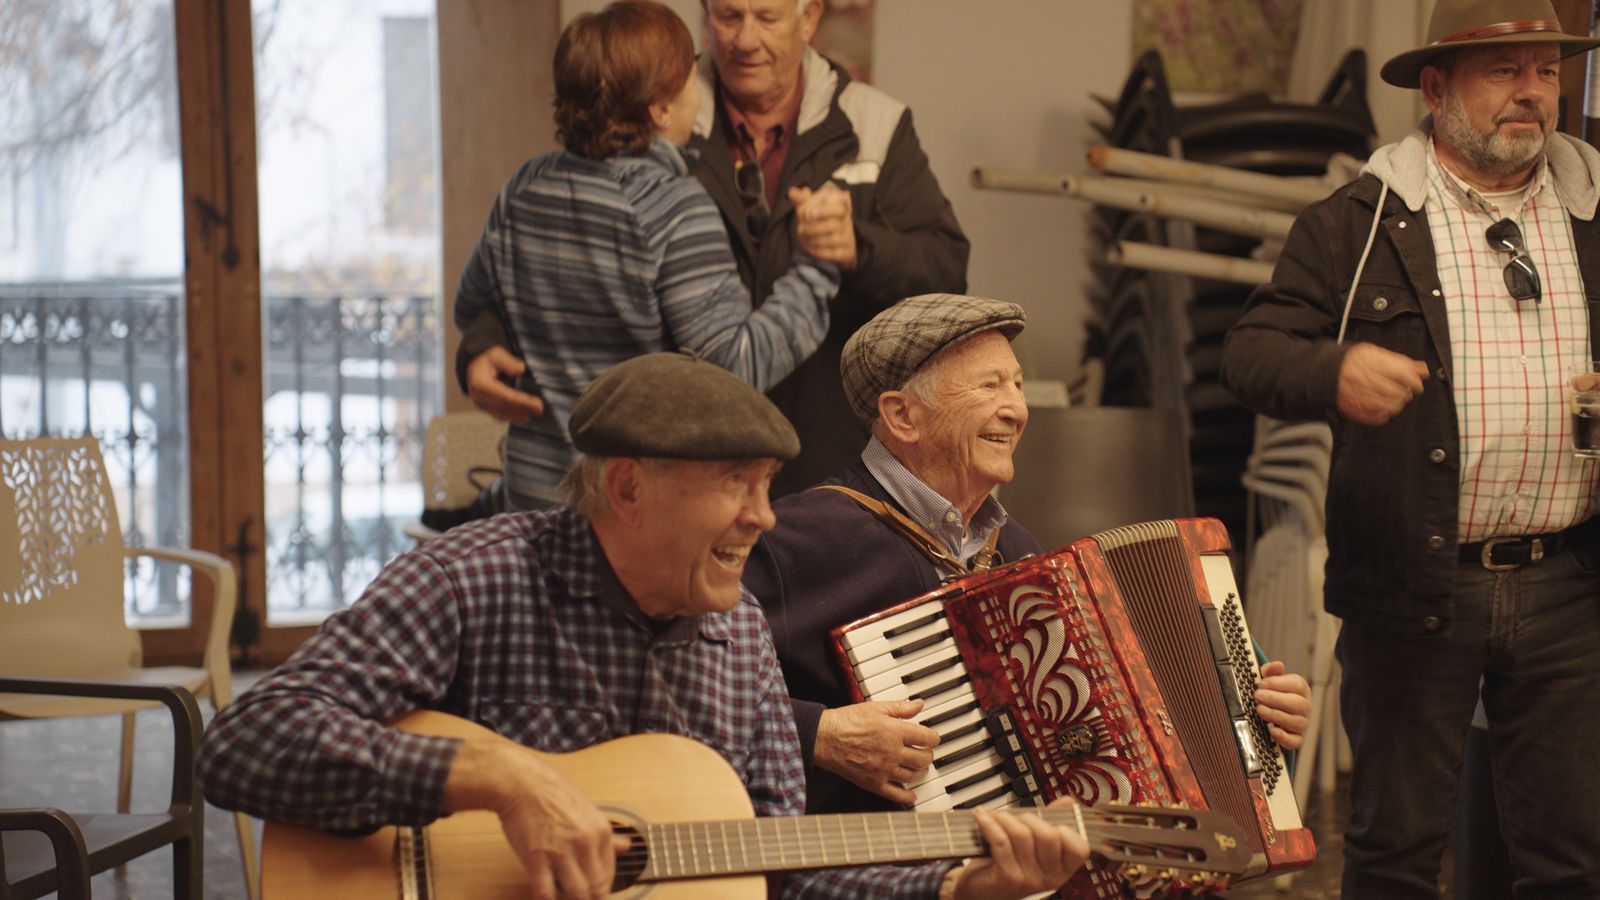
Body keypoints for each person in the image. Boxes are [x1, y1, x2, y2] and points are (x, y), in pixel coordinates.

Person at [198, 351, 1091, 900]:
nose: (764, 518)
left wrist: (961, 885)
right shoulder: (473, 578)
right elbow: (244, 743)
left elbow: (787, 871)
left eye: (767, 486)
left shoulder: (738, 636)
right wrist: (498, 779)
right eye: (735, 484)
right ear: (627, 487)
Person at [1219, 1, 1600, 894]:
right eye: (1505, 72)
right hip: (1414, 582)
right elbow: (1249, 352)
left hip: (1570, 584)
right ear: (1437, 88)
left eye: (1546, 72)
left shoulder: (1594, 211)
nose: (1533, 94)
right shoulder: (1357, 222)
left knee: (1572, 859)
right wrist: (1334, 369)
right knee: (1394, 852)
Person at [742, 295, 1312, 872]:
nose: (1016, 408)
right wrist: (818, 732)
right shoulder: (794, 538)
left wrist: (1252, 720)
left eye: (1016, 385)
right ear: (902, 416)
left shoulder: (1020, 553)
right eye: (989, 387)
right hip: (858, 874)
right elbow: (674, 686)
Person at [462, 0, 969, 500]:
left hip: (823, 470)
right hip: (666, 491)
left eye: (767, 17)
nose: (745, 39)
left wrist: (857, 247)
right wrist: (480, 346)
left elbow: (946, 267)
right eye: (728, 16)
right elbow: (732, 366)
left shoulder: (877, 122)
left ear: (809, 17)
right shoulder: (666, 103)